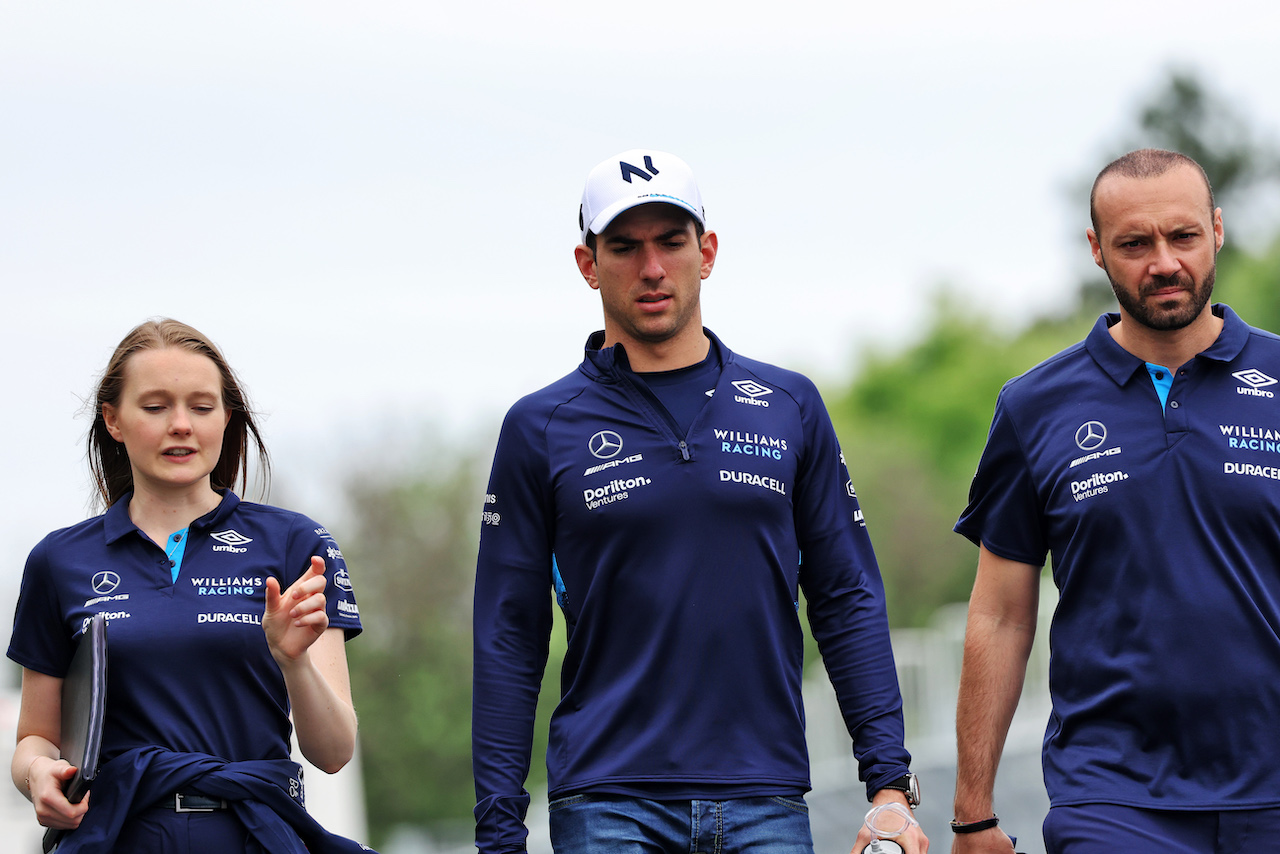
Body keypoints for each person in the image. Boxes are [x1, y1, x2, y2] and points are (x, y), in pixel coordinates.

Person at [472, 150, 927, 854]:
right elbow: (509, 634)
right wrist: (499, 834)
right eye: (624, 247)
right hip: (607, 804)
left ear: (706, 251)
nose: (651, 268)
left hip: (766, 799)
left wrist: (889, 784)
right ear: (588, 264)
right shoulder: (540, 426)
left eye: (671, 242)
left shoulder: (788, 405)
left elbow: (846, 595)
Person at [952, 148, 1280, 853]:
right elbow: (1001, 615)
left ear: (1217, 230)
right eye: (1135, 244)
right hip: (1113, 797)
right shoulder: (1034, 407)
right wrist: (972, 812)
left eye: (1182, 236)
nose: (1163, 262)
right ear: (1097, 250)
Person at [8, 318, 370, 853]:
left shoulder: (296, 543)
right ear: (113, 420)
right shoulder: (58, 560)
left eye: (201, 407)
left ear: (226, 419)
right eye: (155, 407)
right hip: (117, 837)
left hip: (253, 838)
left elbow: (334, 752)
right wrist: (38, 772)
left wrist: (292, 660)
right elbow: (34, 738)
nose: (181, 425)